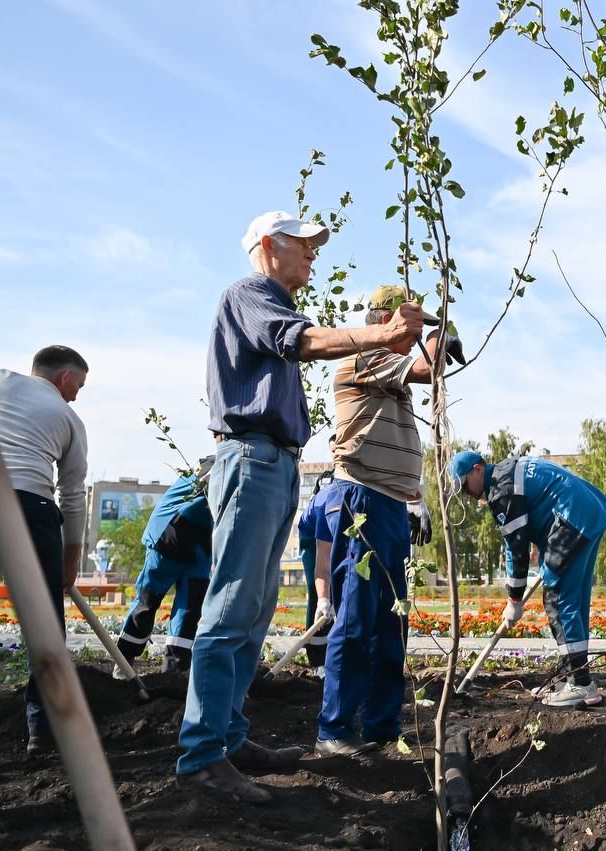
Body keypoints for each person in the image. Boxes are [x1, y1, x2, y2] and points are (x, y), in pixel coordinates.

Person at [176, 211, 426, 804]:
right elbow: (304, 340)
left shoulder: (272, 300)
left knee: (256, 607)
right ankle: (203, 755)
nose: (313, 255)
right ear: (269, 246)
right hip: (253, 457)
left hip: (276, 461)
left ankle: (230, 738)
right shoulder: (250, 295)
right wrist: (380, 334)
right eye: (305, 245)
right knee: (232, 604)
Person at [312, 285, 445, 757]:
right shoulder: (366, 356)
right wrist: (442, 335)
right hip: (361, 499)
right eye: (414, 324)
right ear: (387, 318)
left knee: (392, 621)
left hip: (390, 504)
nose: (417, 336)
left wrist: (416, 497)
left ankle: (382, 728)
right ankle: (334, 730)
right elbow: (429, 368)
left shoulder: (392, 370)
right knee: (356, 617)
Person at [0, 345, 89, 755]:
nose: (77, 395)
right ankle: (43, 734)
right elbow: (73, 498)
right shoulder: (68, 418)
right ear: (65, 378)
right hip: (29, 507)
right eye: (79, 385)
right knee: (43, 628)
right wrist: (69, 566)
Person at [447, 450, 606, 707]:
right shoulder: (507, 470)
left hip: (571, 517)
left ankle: (579, 685)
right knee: (575, 599)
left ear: (478, 469)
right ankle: (576, 676)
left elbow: (516, 548)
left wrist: (514, 600)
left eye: (464, 484)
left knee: (558, 599)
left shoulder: (501, 488)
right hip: (588, 510)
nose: (465, 493)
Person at [114, 459, 215, 674]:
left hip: (200, 547)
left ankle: (174, 671)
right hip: (169, 535)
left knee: (188, 611)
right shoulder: (219, 466)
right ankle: (124, 664)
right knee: (147, 601)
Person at [296, 466, 336, 676]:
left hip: (335, 530)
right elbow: (322, 562)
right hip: (313, 537)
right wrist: (324, 600)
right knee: (321, 590)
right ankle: (319, 659)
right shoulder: (326, 505)